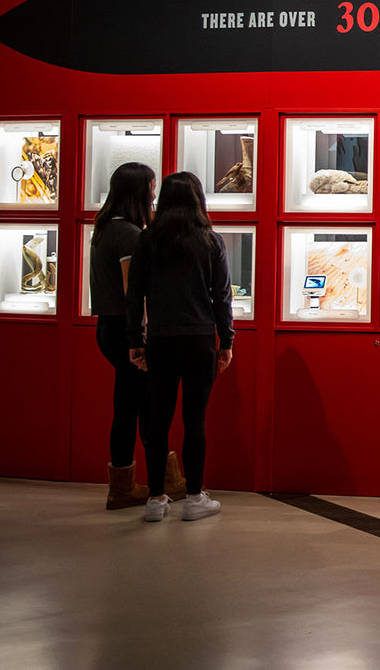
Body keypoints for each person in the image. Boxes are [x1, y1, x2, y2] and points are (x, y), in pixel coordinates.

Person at [125, 172, 234, 522]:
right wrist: (227, 340)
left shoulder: (147, 241)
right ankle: (194, 497)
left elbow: (134, 296)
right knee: (195, 419)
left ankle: (156, 499)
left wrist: (135, 340)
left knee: (158, 420)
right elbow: (222, 297)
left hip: (161, 339)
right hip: (200, 338)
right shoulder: (210, 241)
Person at [90, 162, 189, 509]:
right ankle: (162, 480)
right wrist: (141, 337)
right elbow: (135, 292)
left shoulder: (104, 228)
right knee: (147, 407)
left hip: (108, 327)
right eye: (150, 188)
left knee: (128, 405)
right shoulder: (130, 234)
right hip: (125, 330)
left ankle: (125, 482)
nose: (153, 196)